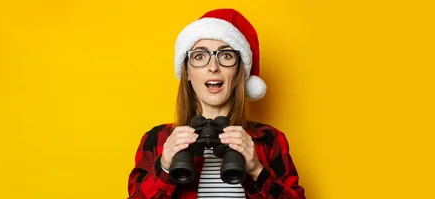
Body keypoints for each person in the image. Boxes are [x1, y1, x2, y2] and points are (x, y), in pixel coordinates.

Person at [127, 8, 306, 199]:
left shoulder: (269, 139)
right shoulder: (157, 140)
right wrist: (164, 166)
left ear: (239, 72)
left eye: (226, 56)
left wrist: (256, 170)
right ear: (186, 72)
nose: (213, 67)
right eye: (200, 56)